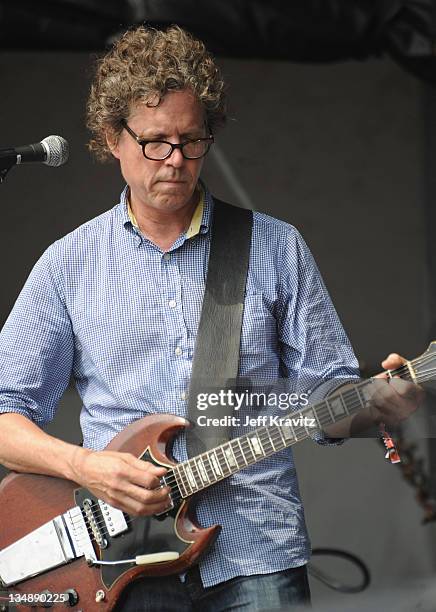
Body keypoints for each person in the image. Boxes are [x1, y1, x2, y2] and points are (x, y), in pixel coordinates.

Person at [0, 25, 422, 611]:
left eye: (190, 140)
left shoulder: (275, 248)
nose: (174, 160)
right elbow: (4, 415)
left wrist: (374, 402)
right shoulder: (67, 266)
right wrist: (86, 466)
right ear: (110, 139)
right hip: (119, 565)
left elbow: (324, 397)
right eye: (154, 142)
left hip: (257, 551)